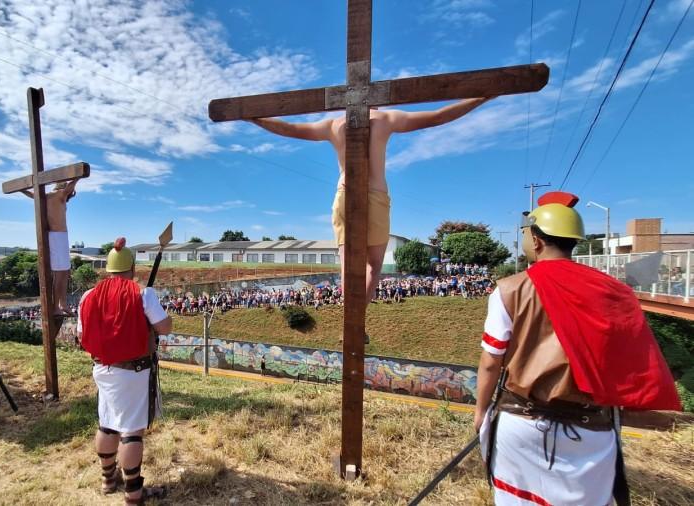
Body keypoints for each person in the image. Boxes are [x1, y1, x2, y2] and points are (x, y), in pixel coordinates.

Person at [474, 191, 680, 506]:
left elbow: (491, 361)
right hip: (590, 430)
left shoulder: (509, 289)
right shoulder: (614, 291)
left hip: (522, 422)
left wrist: (481, 411)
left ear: (536, 240)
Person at [249, 98, 493, 340]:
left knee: (347, 266)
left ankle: (349, 321)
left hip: (344, 193)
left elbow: (289, 129)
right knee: (373, 266)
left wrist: (253, 118)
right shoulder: (385, 118)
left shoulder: (333, 124)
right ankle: (355, 322)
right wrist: (482, 98)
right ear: (374, 100)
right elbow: (438, 115)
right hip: (375, 194)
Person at [78, 237, 171, 504]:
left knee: (107, 424)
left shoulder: (88, 296)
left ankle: (108, 481)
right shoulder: (143, 294)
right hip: (133, 372)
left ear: (108, 269)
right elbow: (164, 327)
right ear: (132, 268)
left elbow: (82, 335)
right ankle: (133, 494)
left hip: (102, 368)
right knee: (131, 431)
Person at [21, 180, 78, 315]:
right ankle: (56, 307)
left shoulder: (45, 196)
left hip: (60, 236)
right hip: (57, 236)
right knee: (59, 274)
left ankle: (63, 303)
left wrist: (21, 189)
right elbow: (69, 188)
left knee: (65, 271)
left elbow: (31, 194)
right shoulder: (60, 194)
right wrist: (77, 178)